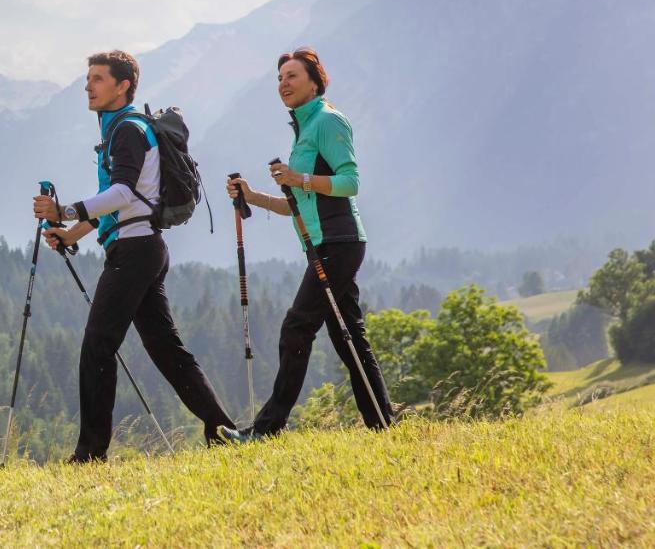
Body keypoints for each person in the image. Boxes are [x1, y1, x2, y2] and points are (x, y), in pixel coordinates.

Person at [33, 49, 236, 462]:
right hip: (142, 247)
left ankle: (90, 454)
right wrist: (71, 232)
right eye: (87, 78)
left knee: (97, 346)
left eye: (98, 79)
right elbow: (124, 202)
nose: (88, 86)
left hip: (134, 252)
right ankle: (222, 429)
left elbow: (124, 194)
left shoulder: (125, 130)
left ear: (123, 86)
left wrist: (65, 210)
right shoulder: (120, 130)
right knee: (166, 349)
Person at [225, 47, 393, 439]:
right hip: (326, 243)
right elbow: (296, 206)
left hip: (339, 241)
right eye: (280, 78)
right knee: (348, 336)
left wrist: (298, 178)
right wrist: (251, 195)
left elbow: (350, 183)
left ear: (315, 82)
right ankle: (384, 425)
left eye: (292, 76)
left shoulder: (328, 121)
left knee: (297, 328)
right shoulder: (304, 127)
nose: (283, 83)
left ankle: (266, 431)